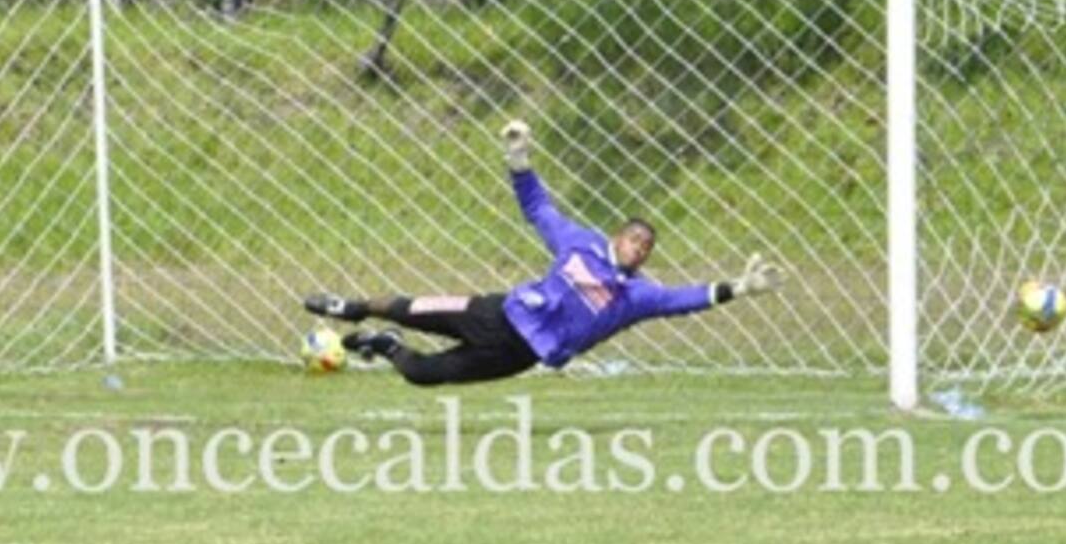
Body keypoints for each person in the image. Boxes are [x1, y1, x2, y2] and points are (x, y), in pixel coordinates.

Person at [303, 120, 784, 386]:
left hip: (520, 354)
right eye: (634, 237)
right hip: (496, 314)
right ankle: (352, 308)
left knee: (424, 375)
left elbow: (685, 299)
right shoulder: (580, 243)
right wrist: (519, 160)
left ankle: (384, 345)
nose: (638, 247)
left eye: (647, 247)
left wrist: (740, 288)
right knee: (410, 308)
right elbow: (538, 208)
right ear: (618, 236)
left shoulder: (637, 296)